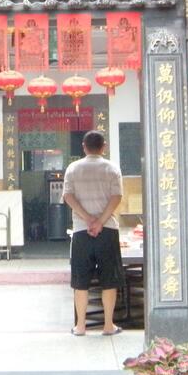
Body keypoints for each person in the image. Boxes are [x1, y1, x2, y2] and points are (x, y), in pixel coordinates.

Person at [62, 129, 124, 336]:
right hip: (107, 231)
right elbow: (116, 197)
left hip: (81, 231)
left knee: (81, 281)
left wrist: (88, 219)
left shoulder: (73, 168)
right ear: (103, 146)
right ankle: (108, 325)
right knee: (109, 280)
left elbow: (68, 196)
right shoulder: (112, 168)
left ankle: (80, 326)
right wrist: (100, 222)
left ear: (84, 147)